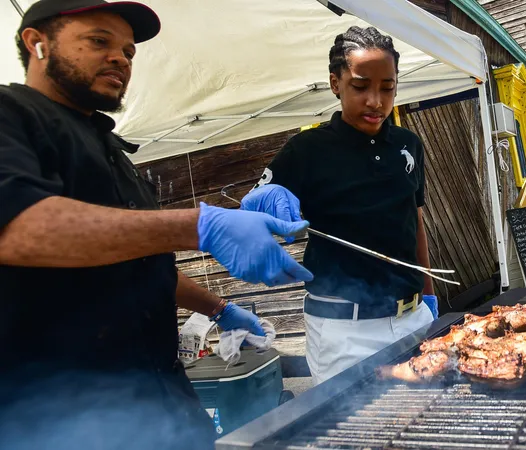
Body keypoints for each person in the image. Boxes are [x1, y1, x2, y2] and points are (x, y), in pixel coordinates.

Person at [0, 1, 312, 449]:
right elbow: (17, 227)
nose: (120, 59)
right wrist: (201, 224)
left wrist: (218, 308)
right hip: (58, 417)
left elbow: (140, 262)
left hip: (162, 401)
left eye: (128, 51)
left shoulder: (111, 149)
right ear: (37, 43)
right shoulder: (11, 115)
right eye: (98, 41)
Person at [242, 26, 439, 385]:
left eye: (387, 88)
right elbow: (253, 219)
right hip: (343, 332)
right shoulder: (307, 149)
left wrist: (428, 294)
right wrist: (261, 210)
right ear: (336, 83)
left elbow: (415, 219)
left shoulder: (409, 144)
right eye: (361, 87)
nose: (375, 102)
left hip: (414, 318)